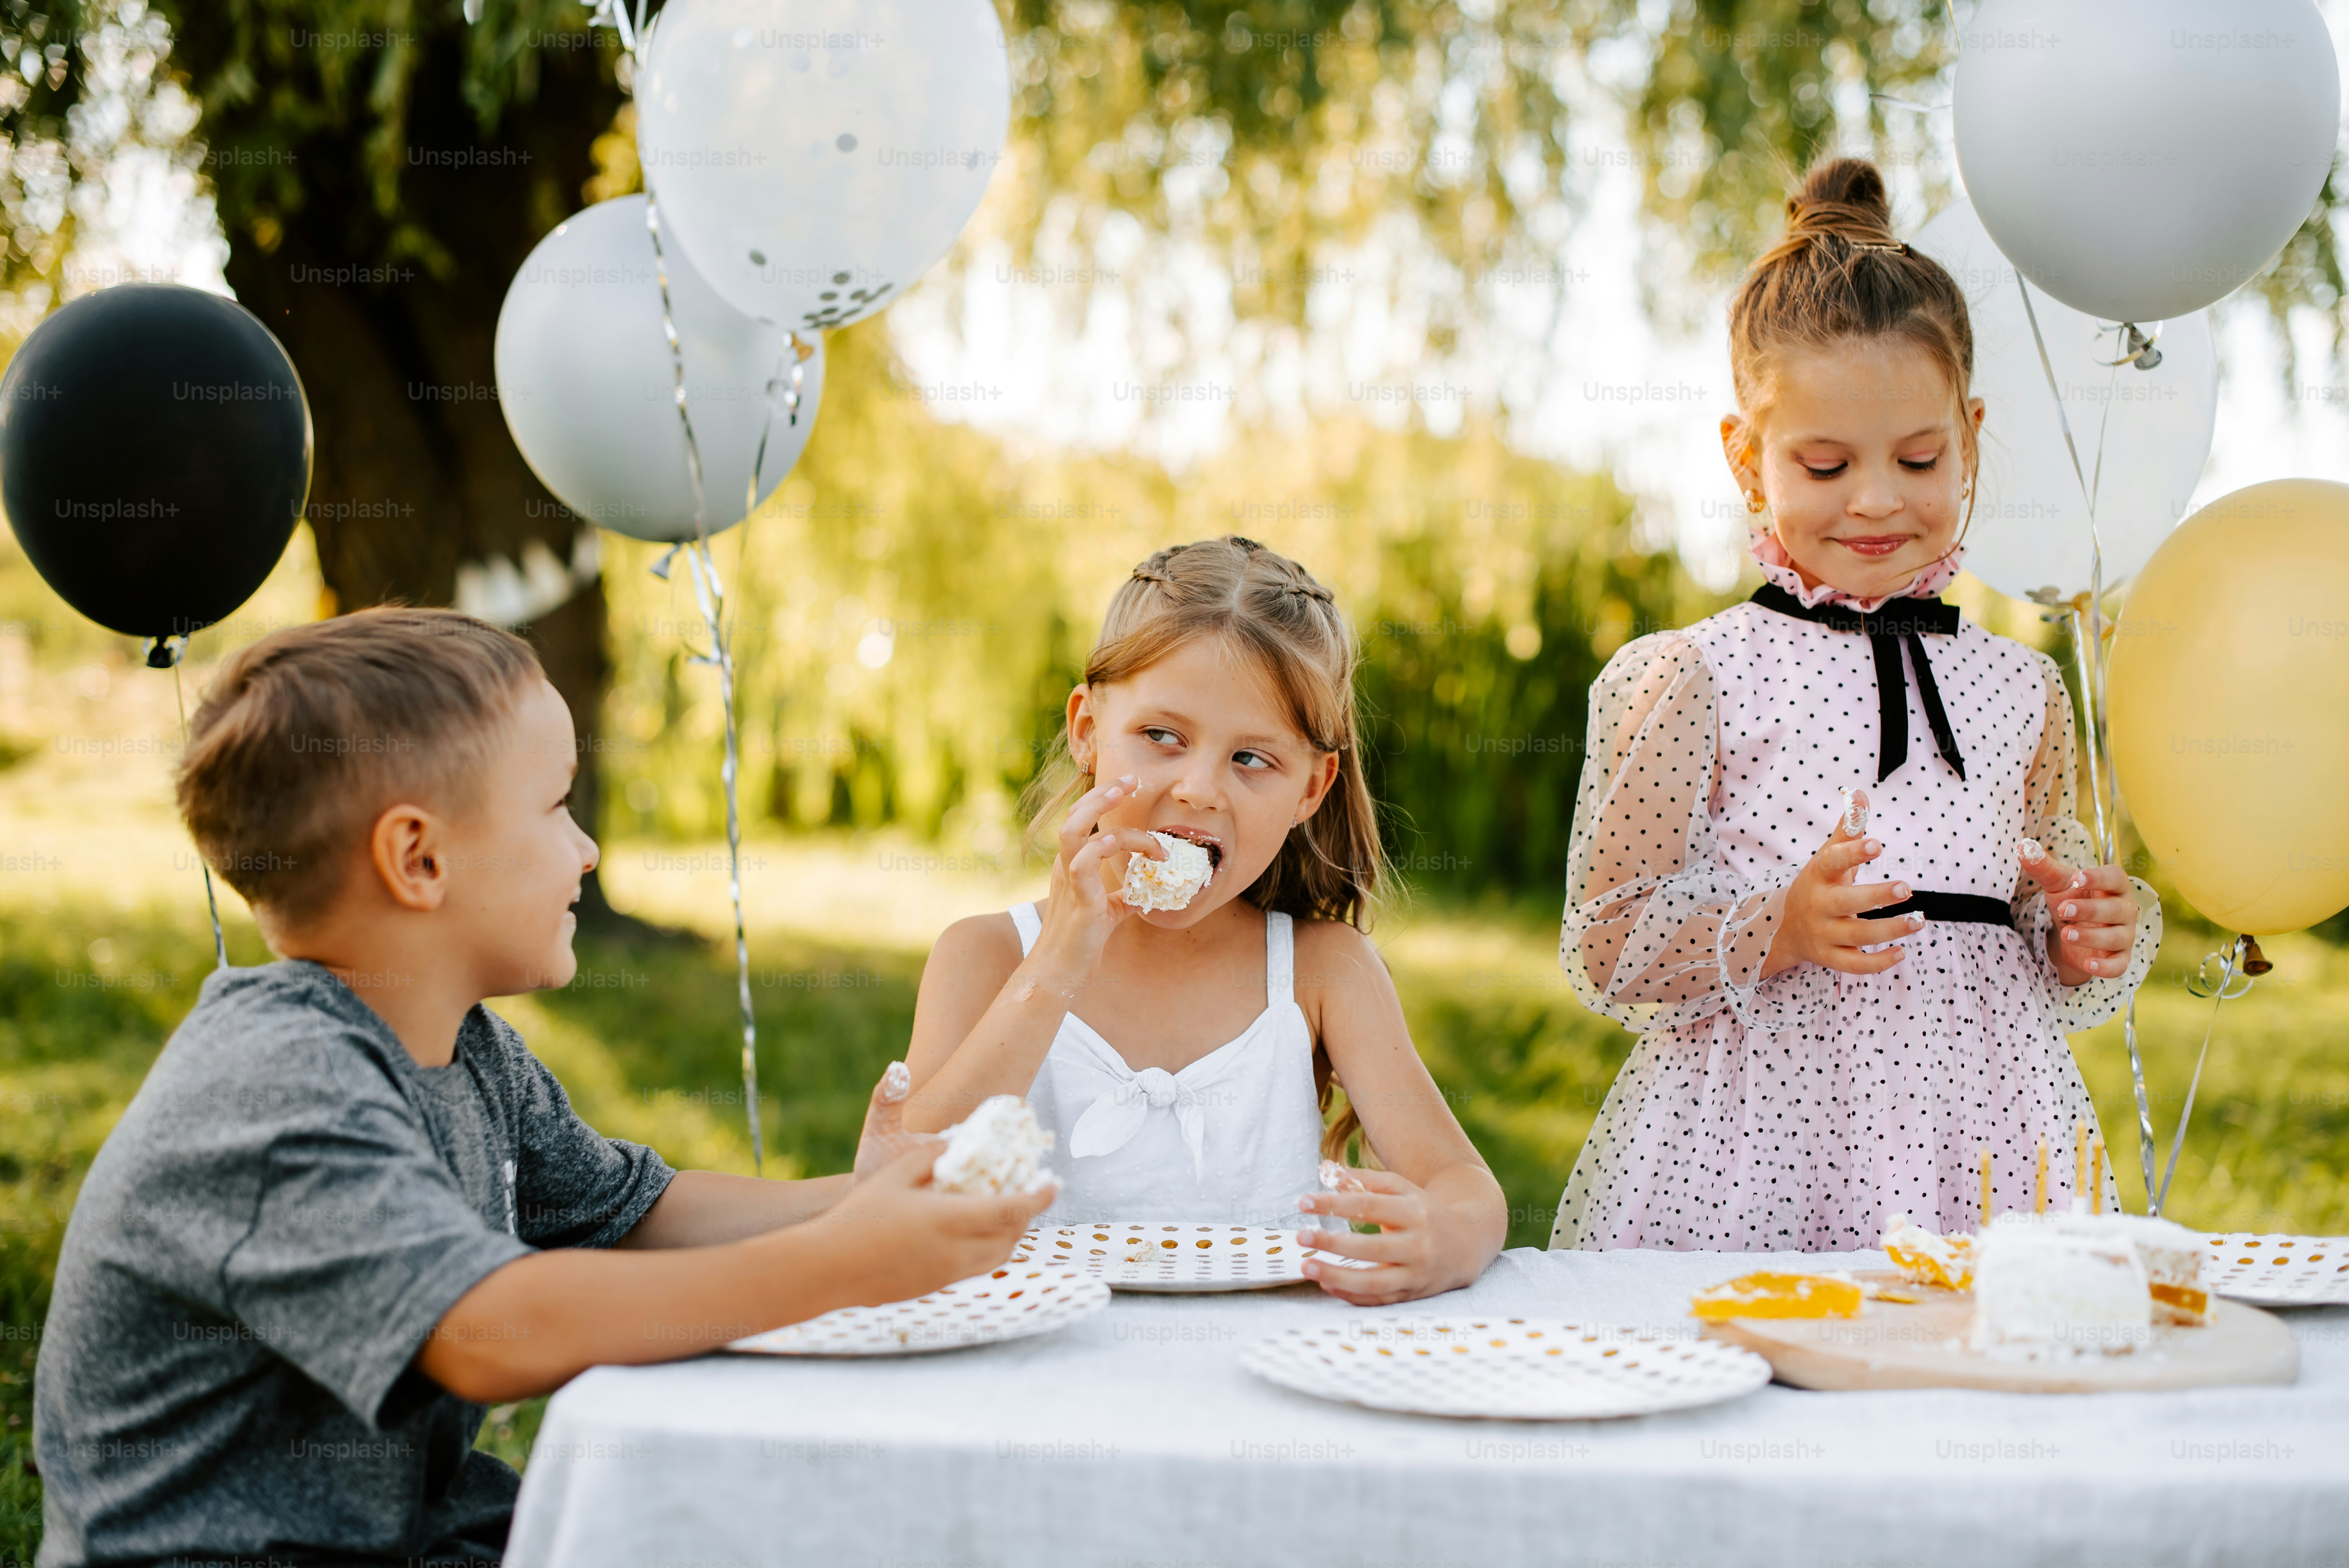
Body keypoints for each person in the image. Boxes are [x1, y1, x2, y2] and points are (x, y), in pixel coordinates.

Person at [33, 608, 1049, 1568]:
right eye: (558, 806)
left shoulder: (468, 1047)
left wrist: (855, 1197)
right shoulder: (270, 1091)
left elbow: (635, 1214)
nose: (589, 848)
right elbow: (491, 1333)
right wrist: (842, 1262)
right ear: (418, 857)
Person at [1550, 158, 2162, 1253]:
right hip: (1764, 1130)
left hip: (1984, 1133)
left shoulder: (2021, 689)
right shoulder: (1695, 677)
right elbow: (1610, 940)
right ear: (1748, 457)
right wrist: (1777, 926)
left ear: (1969, 437)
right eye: (1826, 466)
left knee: (1970, 1374)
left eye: (1919, 458)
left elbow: (2033, 894)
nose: (1877, 499)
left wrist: (2076, 930)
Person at [902, 536, 1506, 1305]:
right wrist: (1054, 964)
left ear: (1310, 789)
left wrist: (1448, 1238)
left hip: (1271, 1385)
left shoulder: (1325, 972)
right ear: (1088, 732)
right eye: (1161, 737)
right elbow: (895, 1182)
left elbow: (1465, 1187)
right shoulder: (984, 958)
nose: (1197, 788)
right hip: (1033, 1377)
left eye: (1251, 759)